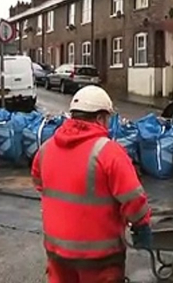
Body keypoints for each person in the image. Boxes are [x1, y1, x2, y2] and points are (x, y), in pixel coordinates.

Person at [31, 85, 152, 283]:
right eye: (108, 119)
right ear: (99, 118)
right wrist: (141, 225)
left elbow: (39, 183)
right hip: (99, 257)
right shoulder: (109, 153)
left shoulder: (46, 149)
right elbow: (133, 199)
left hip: (57, 252)